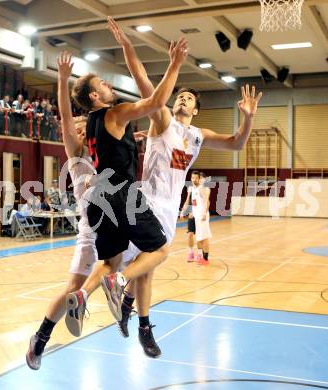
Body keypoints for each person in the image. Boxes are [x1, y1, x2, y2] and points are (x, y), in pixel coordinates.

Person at [106, 17, 263, 353]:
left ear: (196, 109)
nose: (182, 99)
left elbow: (236, 144)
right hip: (144, 200)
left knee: (146, 269)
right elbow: (144, 82)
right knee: (154, 259)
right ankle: (126, 301)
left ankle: (130, 313)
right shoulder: (162, 119)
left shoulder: (198, 135)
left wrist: (249, 119)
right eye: (180, 96)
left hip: (167, 207)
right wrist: (129, 48)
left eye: (189, 98)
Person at [64, 37, 188, 355]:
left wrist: (129, 141)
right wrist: (174, 63)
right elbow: (157, 100)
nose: (108, 84)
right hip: (124, 195)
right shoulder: (116, 112)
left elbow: (108, 143)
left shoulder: (93, 124)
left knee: (111, 261)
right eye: (102, 83)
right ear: (95, 96)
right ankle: (124, 290)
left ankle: (86, 296)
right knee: (158, 252)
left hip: (101, 200)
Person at [26, 53, 100, 371]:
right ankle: (41, 338)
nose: (81, 131)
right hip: (91, 229)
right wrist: (63, 79)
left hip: (117, 227)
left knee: (141, 263)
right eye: (78, 128)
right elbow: (68, 116)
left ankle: (123, 306)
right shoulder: (76, 150)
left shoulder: (104, 151)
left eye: (86, 128)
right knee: (73, 287)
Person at [181, 171, 201, 262]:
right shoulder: (190, 188)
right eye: (192, 178)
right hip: (192, 216)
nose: (194, 180)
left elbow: (204, 203)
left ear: (199, 179)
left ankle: (200, 254)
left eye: (196, 178)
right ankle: (191, 253)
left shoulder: (202, 189)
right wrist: (182, 212)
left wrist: (196, 211)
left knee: (200, 237)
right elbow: (187, 201)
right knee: (189, 235)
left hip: (200, 215)